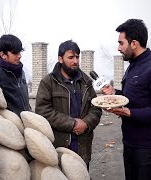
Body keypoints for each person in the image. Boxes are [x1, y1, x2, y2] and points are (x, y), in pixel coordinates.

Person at [101, 19, 151, 180]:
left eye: (121, 43)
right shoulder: (133, 65)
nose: (118, 48)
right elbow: (136, 96)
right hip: (131, 143)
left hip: (150, 149)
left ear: (134, 43)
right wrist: (115, 92)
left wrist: (130, 113)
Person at [35, 40, 102, 169]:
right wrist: (72, 124)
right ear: (60, 59)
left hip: (83, 146)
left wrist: (86, 123)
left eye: (77, 57)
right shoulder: (48, 82)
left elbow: (96, 108)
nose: (75, 61)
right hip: (59, 146)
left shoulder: (86, 82)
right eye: (71, 57)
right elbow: (43, 111)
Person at [0, 34, 31, 117]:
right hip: (9, 126)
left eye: (19, 52)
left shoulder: (20, 72)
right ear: (3, 55)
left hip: (26, 124)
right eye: (15, 52)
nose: (19, 56)